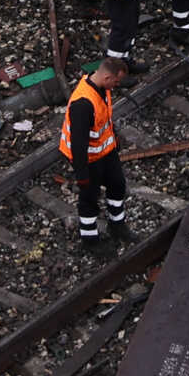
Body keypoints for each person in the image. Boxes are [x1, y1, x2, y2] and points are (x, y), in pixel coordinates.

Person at [62, 59, 129, 247]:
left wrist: (114, 139)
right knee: (89, 198)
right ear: (107, 77)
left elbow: (104, 119)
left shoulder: (103, 88)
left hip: (106, 151)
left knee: (117, 184)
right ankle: (90, 239)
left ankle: (117, 225)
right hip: (89, 158)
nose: (116, 86)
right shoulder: (82, 104)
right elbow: (78, 144)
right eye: (116, 82)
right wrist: (82, 174)